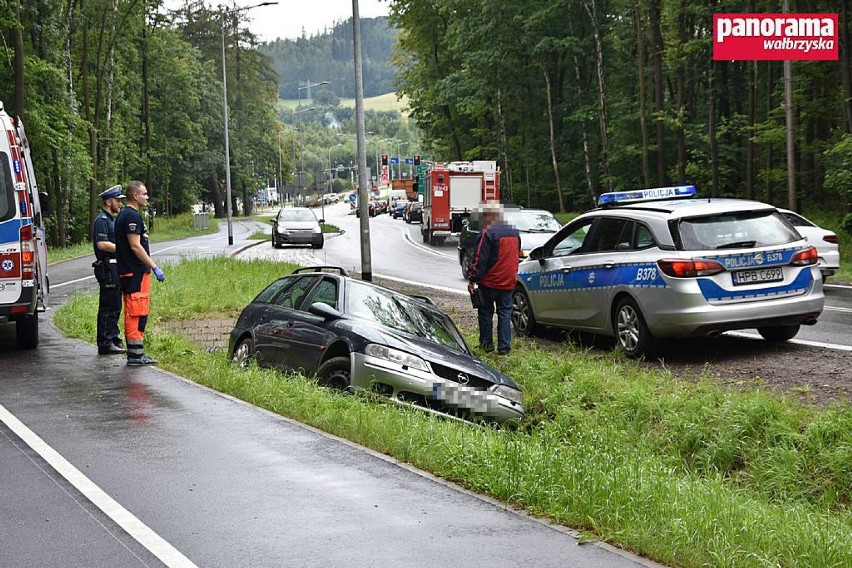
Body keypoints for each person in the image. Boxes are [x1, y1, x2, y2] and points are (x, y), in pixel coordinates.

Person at [115, 181, 165, 366]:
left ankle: (136, 353)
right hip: (135, 272)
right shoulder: (131, 217)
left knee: (136, 311)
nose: (147, 197)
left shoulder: (124, 215)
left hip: (131, 272)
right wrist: (154, 266)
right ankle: (136, 355)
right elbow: (135, 246)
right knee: (136, 312)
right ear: (135, 196)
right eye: (144, 194)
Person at [466, 201, 521, 354]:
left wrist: (473, 279)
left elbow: (479, 260)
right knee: (505, 313)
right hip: (509, 281)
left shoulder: (488, 233)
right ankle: (504, 347)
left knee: (485, 313)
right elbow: (516, 255)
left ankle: (487, 345)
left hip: (490, 282)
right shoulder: (514, 232)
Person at [92, 185, 126, 355]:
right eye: (117, 200)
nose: (120, 203)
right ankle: (105, 342)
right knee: (108, 306)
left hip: (115, 266)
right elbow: (102, 244)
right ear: (108, 201)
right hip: (107, 266)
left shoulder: (111, 219)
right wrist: (122, 249)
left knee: (116, 305)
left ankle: (113, 338)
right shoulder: (102, 221)